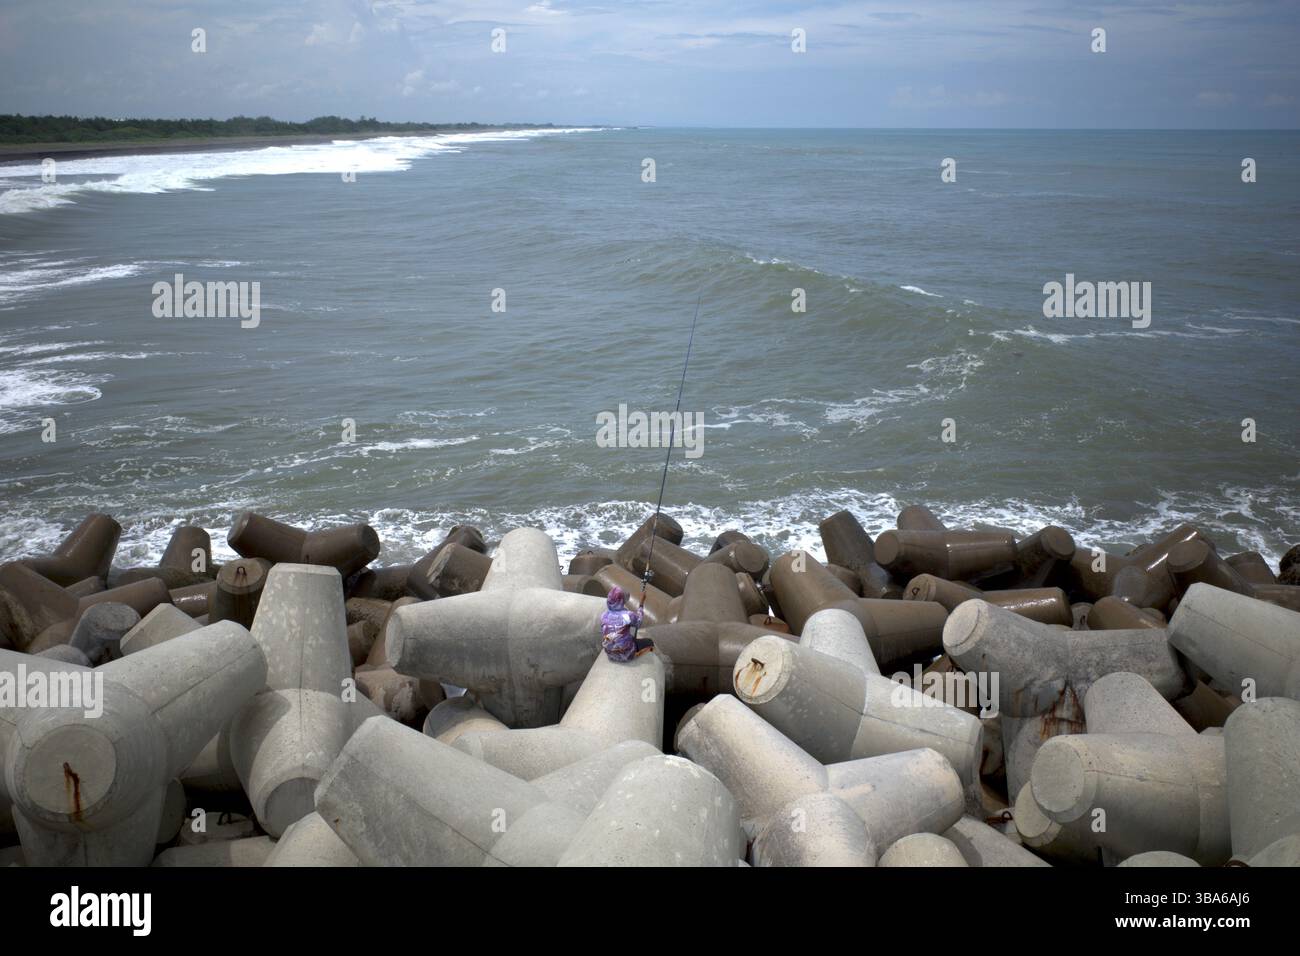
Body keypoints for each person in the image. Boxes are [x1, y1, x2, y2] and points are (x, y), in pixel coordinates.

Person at [600, 585, 655, 661]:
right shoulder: (628, 615)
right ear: (621, 601)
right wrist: (641, 603)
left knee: (628, 632)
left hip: (610, 653)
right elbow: (639, 622)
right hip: (626, 655)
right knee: (649, 641)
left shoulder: (603, 615)